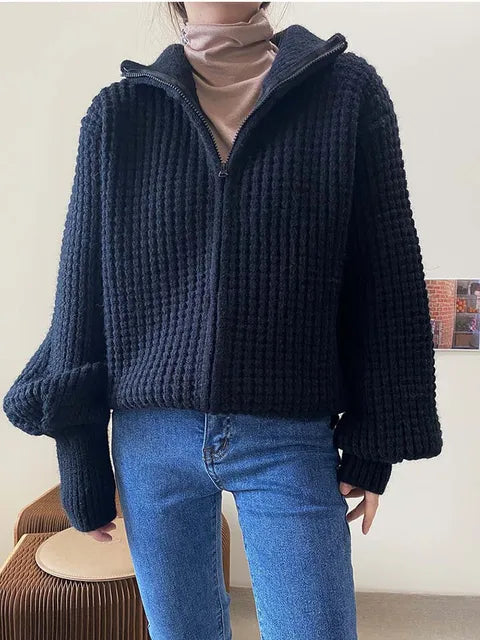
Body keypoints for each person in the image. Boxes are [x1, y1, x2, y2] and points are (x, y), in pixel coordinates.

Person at [3, 2, 443, 639]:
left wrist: (375, 443)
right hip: (152, 443)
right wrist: (81, 459)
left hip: (289, 438)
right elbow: (81, 294)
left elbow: (386, 276)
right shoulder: (119, 114)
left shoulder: (347, 95)